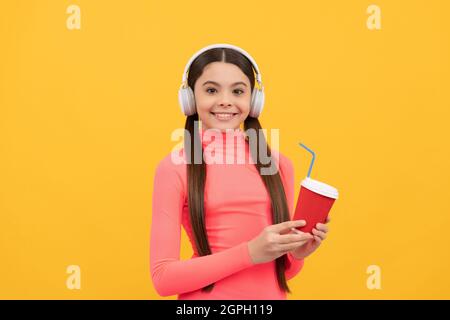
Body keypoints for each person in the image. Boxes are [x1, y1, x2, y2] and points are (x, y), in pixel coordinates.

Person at [150, 44, 330, 299]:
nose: (225, 100)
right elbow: (163, 280)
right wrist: (249, 252)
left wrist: (297, 253)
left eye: (238, 91)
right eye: (211, 90)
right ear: (190, 98)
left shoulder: (278, 165)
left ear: (254, 100)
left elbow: (282, 272)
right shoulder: (174, 167)